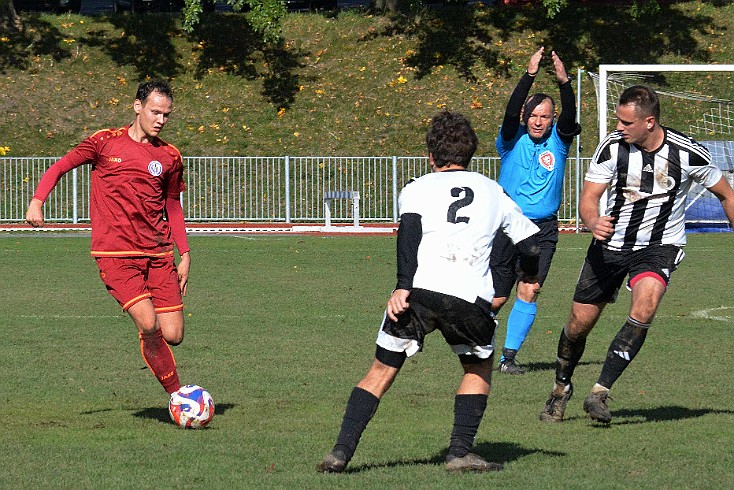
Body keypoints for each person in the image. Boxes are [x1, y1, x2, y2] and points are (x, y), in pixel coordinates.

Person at [317, 111, 541, 474]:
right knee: (478, 365)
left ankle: (340, 453)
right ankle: (459, 453)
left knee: (381, 370)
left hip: (419, 292)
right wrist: (524, 279)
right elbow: (531, 244)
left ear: (431, 155)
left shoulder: (417, 187)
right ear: (469, 153)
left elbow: (409, 232)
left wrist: (402, 286)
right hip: (468, 297)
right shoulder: (492, 190)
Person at [539, 85, 734, 424]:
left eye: (625, 122)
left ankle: (600, 391)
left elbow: (726, 194)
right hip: (610, 247)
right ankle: (560, 388)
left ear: (649, 122)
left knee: (645, 307)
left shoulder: (687, 153)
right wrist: (592, 221)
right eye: (618, 120)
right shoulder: (612, 148)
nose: (618, 127)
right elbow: (589, 198)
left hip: (659, 247)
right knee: (578, 326)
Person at [26, 80, 191, 399]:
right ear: (137, 106)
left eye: (167, 115)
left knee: (174, 334)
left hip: (159, 255)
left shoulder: (170, 156)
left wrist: (184, 253)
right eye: (155, 112)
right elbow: (61, 166)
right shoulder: (104, 143)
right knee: (148, 324)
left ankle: (153, 343)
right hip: (116, 255)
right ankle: (178, 396)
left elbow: (172, 205)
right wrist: (37, 200)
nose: (161, 120)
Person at [490, 47, 581, 374]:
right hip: (507, 225)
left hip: (543, 229)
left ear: (552, 119)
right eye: (534, 115)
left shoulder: (559, 141)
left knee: (530, 288)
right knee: (497, 298)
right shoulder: (510, 140)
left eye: (545, 115)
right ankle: (474, 341)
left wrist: (564, 82)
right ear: (524, 118)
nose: (539, 120)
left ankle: (508, 358)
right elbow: (512, 109)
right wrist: (529, 76)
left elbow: (570, 115)